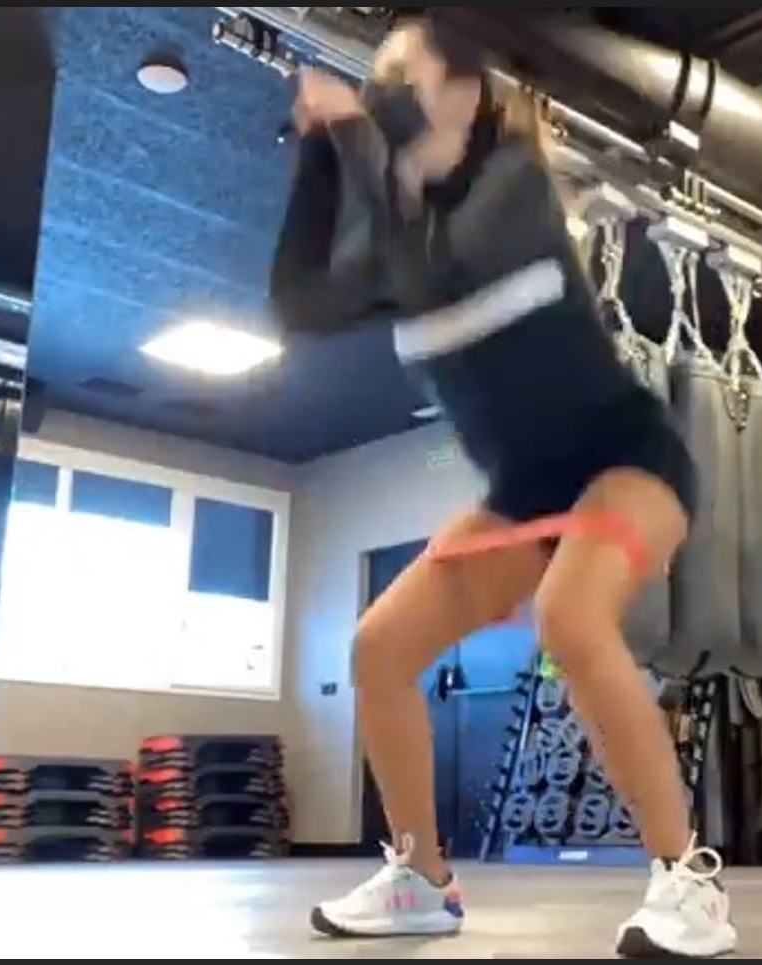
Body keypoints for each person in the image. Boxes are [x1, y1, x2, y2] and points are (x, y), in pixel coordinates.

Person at [279, 17, 738, 960]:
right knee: (377, 647)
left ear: (465, 93)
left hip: (626, 458)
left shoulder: (513, 186)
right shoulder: (393, 234)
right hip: (525, 490)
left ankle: (687, 881)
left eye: (408, 78)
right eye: (382, 81)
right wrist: (317, 163)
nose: (389, 97)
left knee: (570, 618)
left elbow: (440, 264)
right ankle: (420, 880)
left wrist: (354, 138)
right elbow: (304, 302)